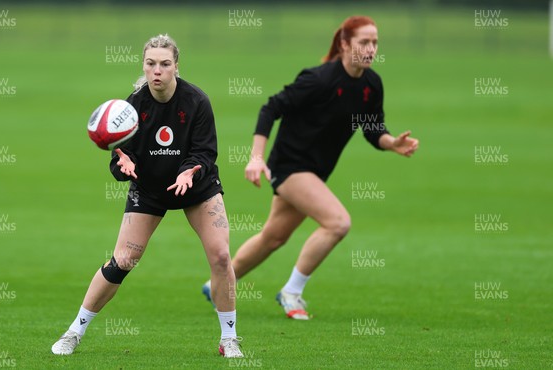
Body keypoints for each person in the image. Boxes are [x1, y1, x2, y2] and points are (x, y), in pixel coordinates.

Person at [202, 16, 419, 320]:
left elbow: (372, 129)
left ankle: (217, 286)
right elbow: (271, 108)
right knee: (338, 222)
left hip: (315, 172)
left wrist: (391, 142)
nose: (371, 49)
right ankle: (291, 292)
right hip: (289, 166)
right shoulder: (319, 80)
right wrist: (256, 156)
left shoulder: (371, 84)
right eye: (364, 42)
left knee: (273, 237)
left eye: (375, 42)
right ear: (344, 44)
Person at [52, 34, 243, 358]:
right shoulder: (133, 105)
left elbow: (205, 151)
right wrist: (120, 162)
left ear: (176, 67)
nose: (157, 71)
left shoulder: (196, 101)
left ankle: (229, 339)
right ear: (144, 65)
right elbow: (121, 153)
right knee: (123, 259)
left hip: (197, 187)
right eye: (151, 64)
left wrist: (189, 170)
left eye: (165, 64)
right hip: (150, 189)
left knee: (222, 257)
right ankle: (74, 332)